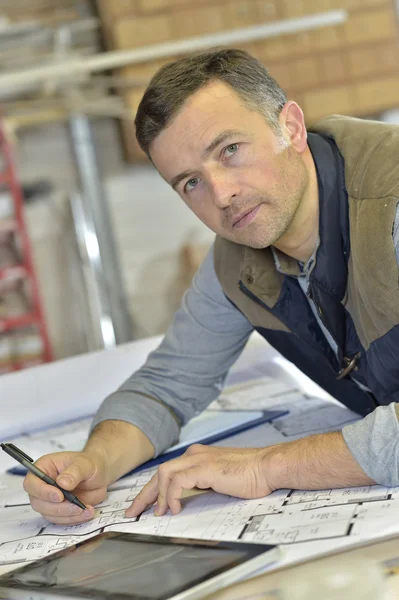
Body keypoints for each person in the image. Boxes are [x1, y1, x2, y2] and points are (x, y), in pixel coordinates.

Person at [24, 49, 399, 525]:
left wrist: (266, 466)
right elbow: (166, 386)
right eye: (190, 182)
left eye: (230, 151)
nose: (222, 196)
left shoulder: (392, 197)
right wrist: (94, 461)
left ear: (292, 127)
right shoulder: (238, 258)